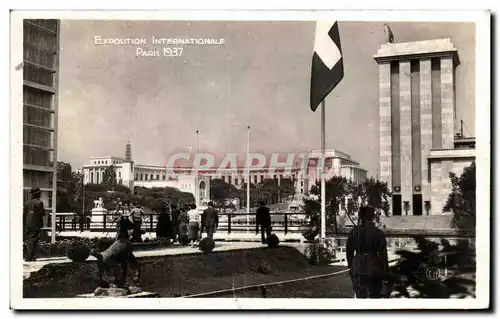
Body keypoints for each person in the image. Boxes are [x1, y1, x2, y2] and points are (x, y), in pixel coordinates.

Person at [346, 206, 389, 299]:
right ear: (373, 216)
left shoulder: (354, 232)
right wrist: (385, 272)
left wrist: (351, 266)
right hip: (374, 266)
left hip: (358, 265)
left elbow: (349, 252)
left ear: (361, 216)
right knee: (375, 296)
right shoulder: (379, 233)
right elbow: (383, 254)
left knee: (360, 296)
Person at [23, 188, 45, 261]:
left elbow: (24, 215)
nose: (40, 194)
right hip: (35, 224)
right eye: (39, 193)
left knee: (31, 240)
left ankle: (32, 256)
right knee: (32, 240)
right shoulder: (39, 203)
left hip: (27, 224)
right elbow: (42, 214)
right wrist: (41, 224)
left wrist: (24, 224)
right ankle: (29, 257)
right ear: (36, 194)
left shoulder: (26, 203)